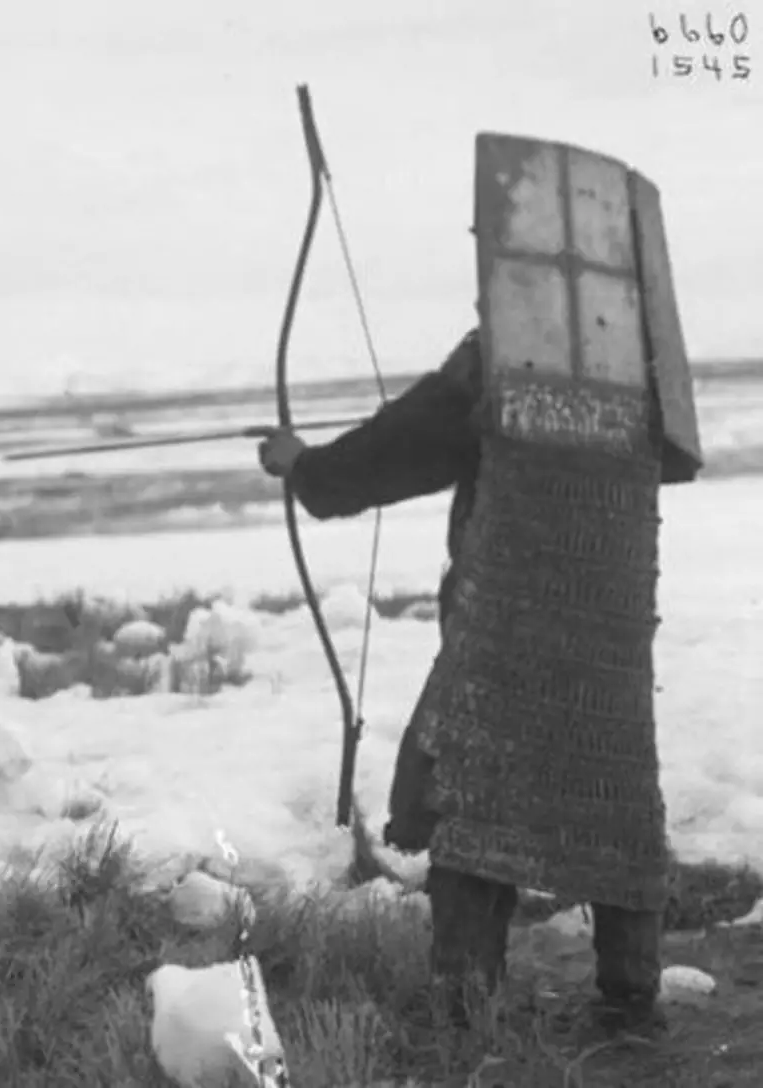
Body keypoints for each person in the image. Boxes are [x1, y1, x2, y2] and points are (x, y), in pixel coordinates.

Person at [257, 322, 693, 1035]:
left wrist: (306, 466)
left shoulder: (508, 349)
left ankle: (465, 1003)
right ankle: (630, 988)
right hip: (609, 633)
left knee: (471, 793)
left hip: (504, 622)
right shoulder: (632, 342)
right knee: (614, 797)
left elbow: (406, 444)